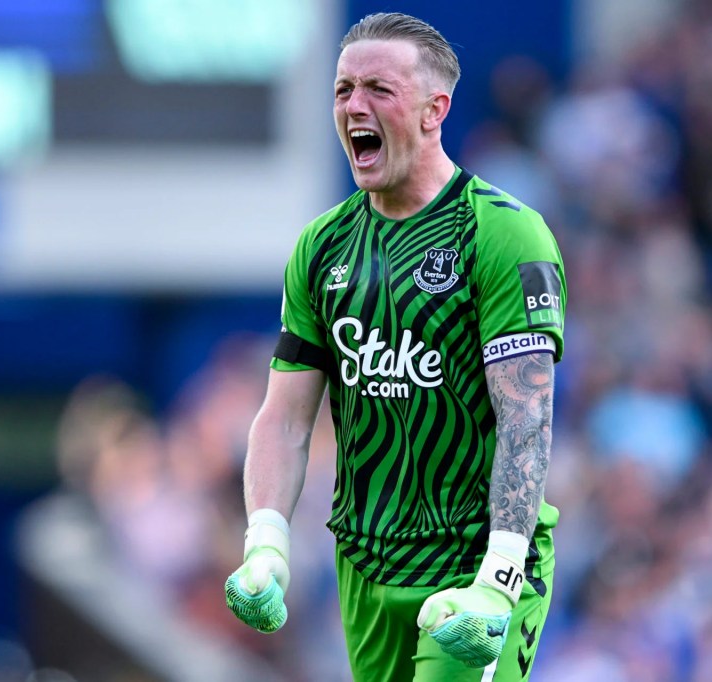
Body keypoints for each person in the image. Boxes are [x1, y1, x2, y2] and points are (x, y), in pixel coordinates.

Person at [224, 12, 566, 681]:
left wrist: (498, 577)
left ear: (435, 109)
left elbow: (525, 418)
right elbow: (285, 417)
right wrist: (266, 541)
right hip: (367, 565)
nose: (355, 105)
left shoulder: (504, 235)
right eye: (343, 89)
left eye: (378, 89)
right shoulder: (321, 247)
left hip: (472, 563)